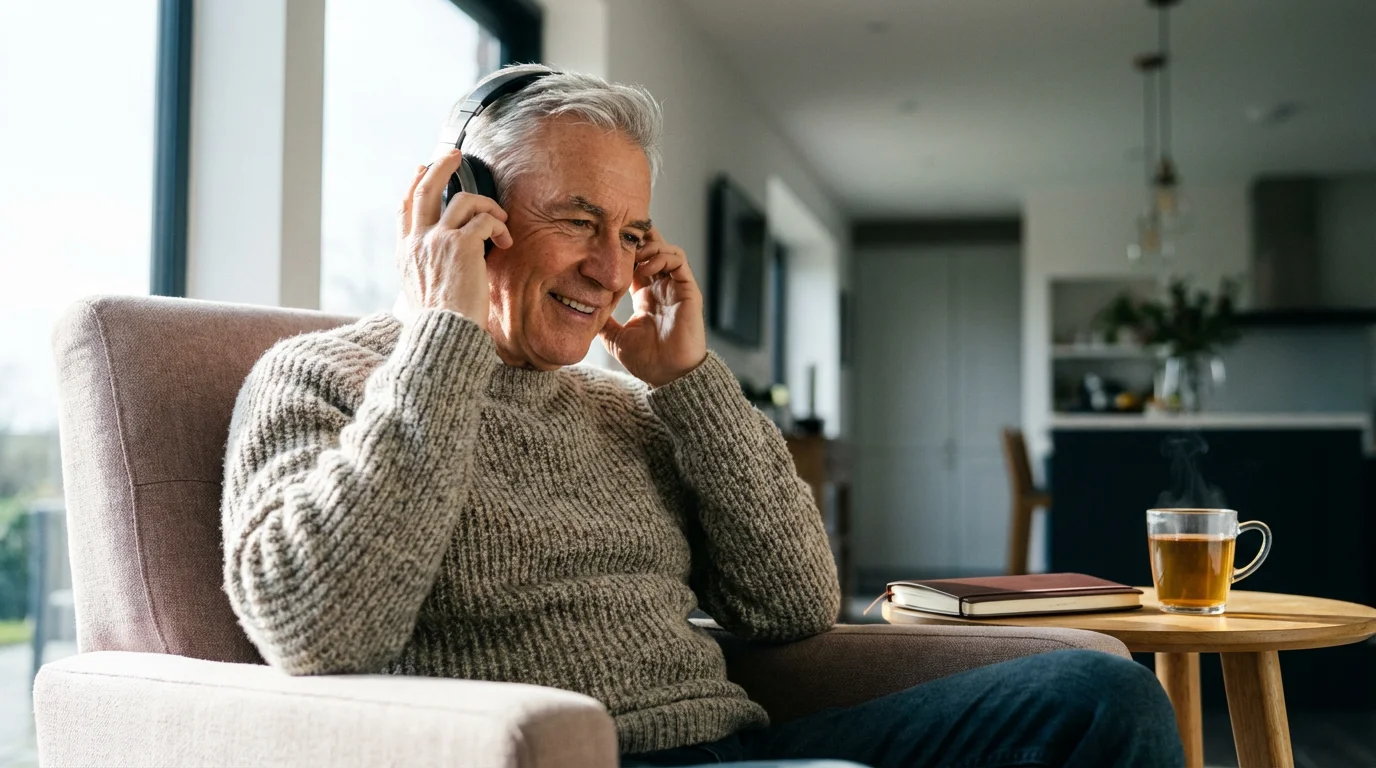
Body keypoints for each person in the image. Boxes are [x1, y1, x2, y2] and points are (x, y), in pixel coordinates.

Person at [220, 64, 1184, 768]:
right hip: (565, 757)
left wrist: (689, 383)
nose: (610, 268)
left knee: (1098, 694)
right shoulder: (319, 377)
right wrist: (443, 337)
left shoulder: (629, 409)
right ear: (466, 211)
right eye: (577, 220)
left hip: (735, 745)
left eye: (631, 233)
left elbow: (795, 605)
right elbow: (319, 629)